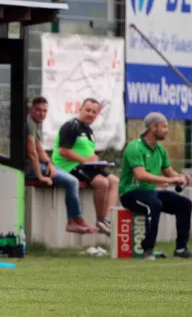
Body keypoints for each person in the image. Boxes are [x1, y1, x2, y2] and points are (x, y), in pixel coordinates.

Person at [119, 112, 192, 260]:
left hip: (150, 192)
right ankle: (148, 249)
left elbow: (169, 172)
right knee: (155, 204)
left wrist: (181, 177)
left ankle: (180, 248)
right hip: (130, 193)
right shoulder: (135, 147)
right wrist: (168, 181)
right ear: (153, 128)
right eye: (164, 126)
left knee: (185, 204)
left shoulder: (160, 150)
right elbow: (140, 175)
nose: (167, 130)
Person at [25, 96, 97, 233]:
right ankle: (74, 221)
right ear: (31, 110)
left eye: (45, 111)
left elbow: (39, 149)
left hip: (41, 165)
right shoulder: (30, 123)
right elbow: (31, 152)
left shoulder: (36, 124)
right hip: (29, 168)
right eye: (38, 110)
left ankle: (75, 220)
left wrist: (49, 164)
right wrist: (40, 176)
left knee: (73, 181)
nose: (42, 114)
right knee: (72, 182)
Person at [51, 98, 117, 235]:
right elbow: (63, 151)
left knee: (115, 181)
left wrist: (97, 163)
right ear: (80, 109)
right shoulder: (71, 126)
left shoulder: (89, 130)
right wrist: (86, 160)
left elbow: (88, 153)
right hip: (69, 166)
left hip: (85, 166)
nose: (90, 114)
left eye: (94, 112)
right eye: (87, 110)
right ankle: (100, 220)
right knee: (102, 182)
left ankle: (108, 218)